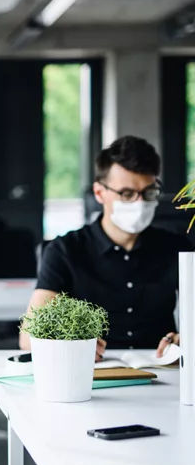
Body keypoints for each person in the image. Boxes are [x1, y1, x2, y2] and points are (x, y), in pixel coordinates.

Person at [20, 136, 193, 360]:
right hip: (91, 374)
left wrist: (187, 338)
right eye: (127, 194)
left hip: (163, 373)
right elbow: (28, 338)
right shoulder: (65, 250)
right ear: (100, 193)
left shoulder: (176, 247)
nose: (140, 203)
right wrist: (71, 344)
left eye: (149, 193)